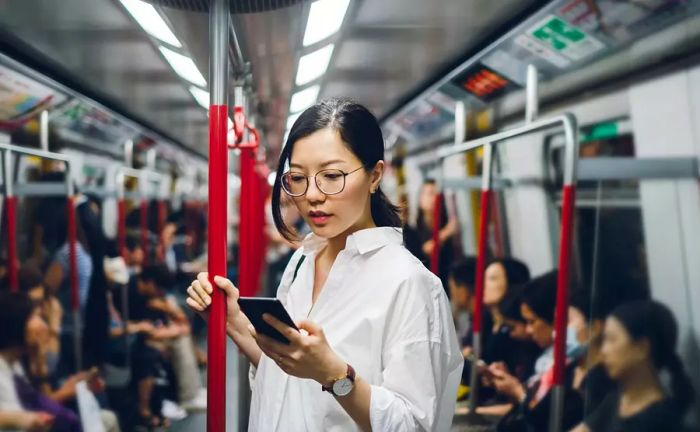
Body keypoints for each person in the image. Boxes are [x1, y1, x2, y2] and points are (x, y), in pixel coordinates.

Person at [187, 98, 462, 431]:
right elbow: (288, 381)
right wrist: (232, 321)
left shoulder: (410, 284)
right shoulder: (304, 260)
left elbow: (413, 424)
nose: (313, 195)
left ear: (375, 175)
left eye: (331, 176)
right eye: (299, 178)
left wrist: (334, 374)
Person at [572, 300, 695, 432]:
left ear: (642, 348)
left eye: (612, 340)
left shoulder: (660, 421)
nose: (604, 351)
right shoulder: (615, 401)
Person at [404, 179, 458, 292]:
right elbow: (426, 250)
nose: (434, 198)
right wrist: (445, 233)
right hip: (424, 286)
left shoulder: (443, 224)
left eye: (436, 194)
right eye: (429, 194)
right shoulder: (412, 229)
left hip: (445, 283)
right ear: (420, 198)